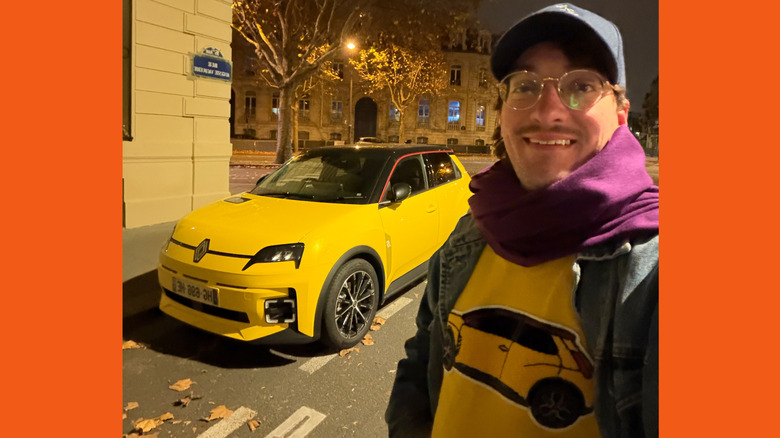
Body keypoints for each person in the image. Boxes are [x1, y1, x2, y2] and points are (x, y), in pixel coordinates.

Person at [385, 3, 658, 437]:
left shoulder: (650, 273)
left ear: (621, 114)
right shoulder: (472, 232)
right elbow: (420, 364)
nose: (546, 110)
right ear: (501, 112)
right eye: (526, 85)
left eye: (582, 85)